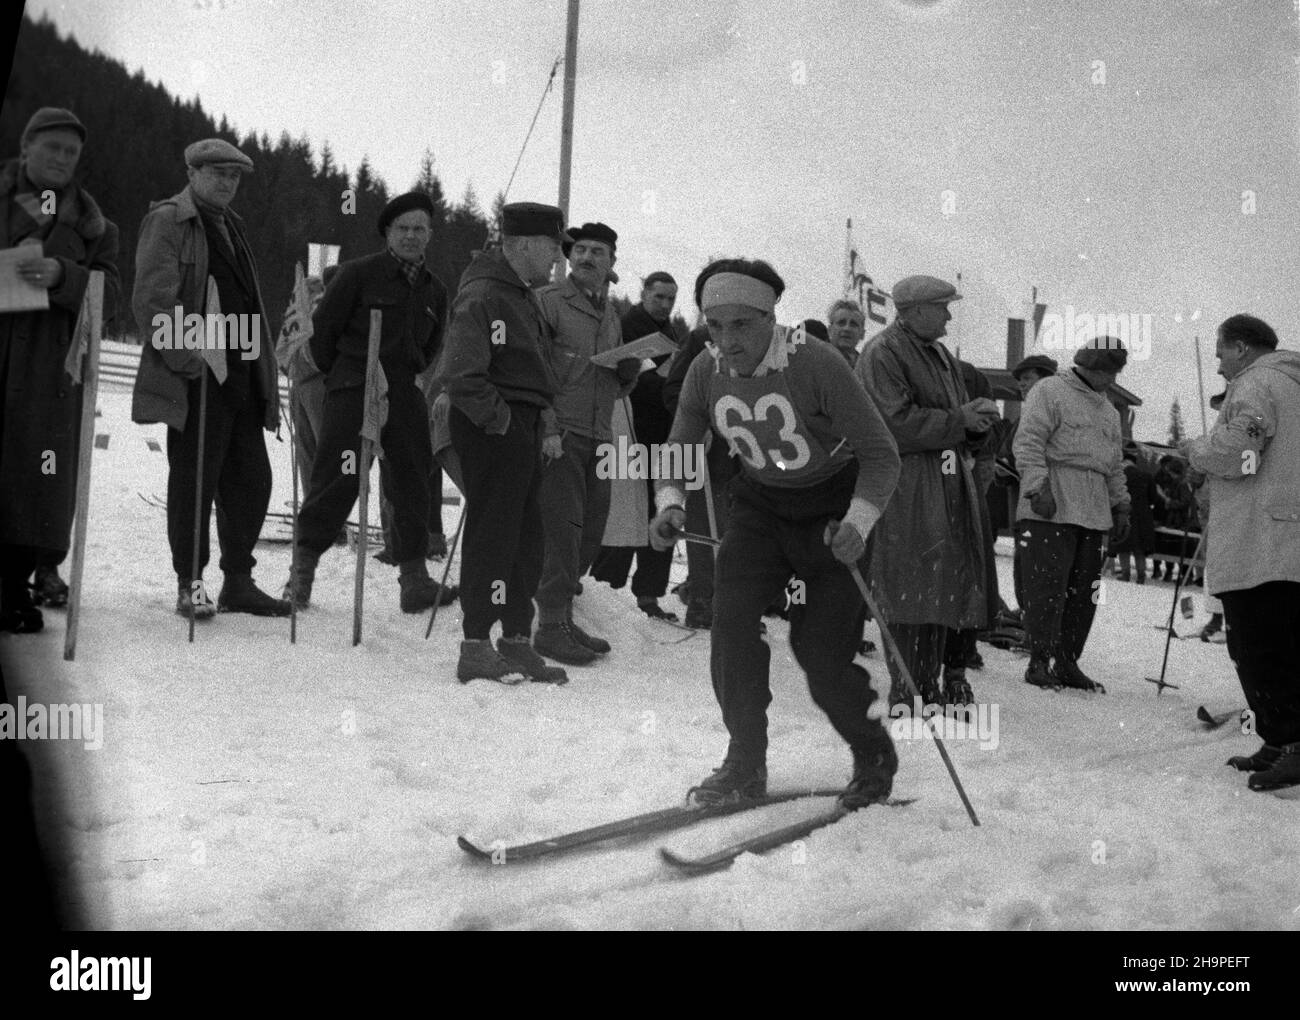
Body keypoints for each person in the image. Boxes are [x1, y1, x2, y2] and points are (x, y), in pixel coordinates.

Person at [649, 257, 901, 807]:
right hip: (760, 507)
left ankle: (871, 750)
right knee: (730, 622)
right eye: (714, 326)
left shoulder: (817, 363)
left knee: (819, 653)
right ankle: (745, 761)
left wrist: (859, 524)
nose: (726, 340)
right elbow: (679, 449)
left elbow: (882, 456)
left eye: (740, 325)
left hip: (830, 510)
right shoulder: (704, 370)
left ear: (770, 317)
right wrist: (670, 503)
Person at [132, 138, 288, 619]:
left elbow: (248, 305)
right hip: (198, 375)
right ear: (193, 172)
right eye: (217, 173)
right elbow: (152, 301)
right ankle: (191, 584)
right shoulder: (169, 220)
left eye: (234, 176)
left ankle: (237, 581)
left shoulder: (231, 227)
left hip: (240, 371)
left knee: (251, 479)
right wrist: (188, 359)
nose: (226, 183)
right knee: (194, 482)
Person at [282, 192, 454, 614]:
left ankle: (414, 579)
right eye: (403, 229)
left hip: (403, 394)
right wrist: (348, 376)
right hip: (354, 391)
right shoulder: (358, 275)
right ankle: (301, 573)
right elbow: (321, 340)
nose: (411, 236)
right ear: (388, 234)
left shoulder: (435, 290)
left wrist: (405, 374)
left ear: (429, 234)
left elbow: (431, 348)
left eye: (419, 229)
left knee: (412, 483)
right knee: (338, 478)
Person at [435, 202, 572, 684]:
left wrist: (538, 420)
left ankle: (515, 638)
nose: (559, 259)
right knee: (493, 536)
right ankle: (475, 644)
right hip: (496, 426)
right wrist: (503, 424)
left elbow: (533, 370)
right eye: (554, 247)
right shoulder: (485, 294)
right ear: (522, 245)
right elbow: (463, 376)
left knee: (525, 538)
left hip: (523, 423)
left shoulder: (520, 294)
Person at [0, 108, 120, 633]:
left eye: (71, 152)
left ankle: (14, 585)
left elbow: (112, 296)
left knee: (37, 480)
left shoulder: (96, 228)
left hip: (51, 372)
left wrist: (64, 274)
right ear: (27, 148)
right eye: (52, 148)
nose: (62, 159)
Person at [855, 275, 998, 708]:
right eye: (943, 307)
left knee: (942, 583)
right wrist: (961, 420)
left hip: (947, 481)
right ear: (915, 311)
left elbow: (950, 417)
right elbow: (893, 422)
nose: (950, 316)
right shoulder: (883, 352)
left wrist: (976, 427)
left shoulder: (936, 353)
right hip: (907, 485)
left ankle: (928, 683)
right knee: (907, 584)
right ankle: (910, 688)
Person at [1184, 314, 1300, 791]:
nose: (1216, 361)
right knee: (1275, 642)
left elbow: (1239, 452)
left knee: (1260, 645)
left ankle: (1292, 744)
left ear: (1241, 347)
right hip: (1284, 535)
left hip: (1260, 538)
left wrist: (1197, 450)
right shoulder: (1290, 383)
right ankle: (1278, 741)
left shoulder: (1257, 383)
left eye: (1220, 349)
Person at [532, 222, 640, 665]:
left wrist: (627, 375)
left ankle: (561, 613)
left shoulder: (611, 314)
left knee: (591, 530)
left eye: (598, 252)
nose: (587, 258)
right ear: (568, 257)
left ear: (612, 262)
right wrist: (549, 428)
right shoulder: (549, 302)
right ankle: (549, 627)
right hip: (562, 435)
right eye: (580, 250)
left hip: (599, 435)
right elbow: (533, 371)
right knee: (563, 530)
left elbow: (607, 384)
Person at [1013, 337, 1131, 692]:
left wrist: (1121, 504)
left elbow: (1113, 464)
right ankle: (1038, 660)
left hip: (1094, 510)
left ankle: (1067, 661)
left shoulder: (1109, 411)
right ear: (1086, 365)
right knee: (1045, 586)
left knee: (1085, 591)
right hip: (1052, 501)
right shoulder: (1049, 391)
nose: (1109, 379)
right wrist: (1037, 486)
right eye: (1104, 372)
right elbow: (1029, 441)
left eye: (1114, 373)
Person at [589, 271, 682, 620]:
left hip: (662, 434)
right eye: (659, 297)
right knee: (623, 513)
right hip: (628, 432)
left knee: (662, 511)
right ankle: (604, 585)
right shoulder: (627, 325)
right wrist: (658, 378)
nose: (665, 304)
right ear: (643, 293)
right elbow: (618, 381)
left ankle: (649, 594)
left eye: (671, 298)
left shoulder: (671, 333)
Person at [662, 301, 736, 630]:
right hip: (707, 453)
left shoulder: (758, 346)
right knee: (706, 528)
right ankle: (703, 601)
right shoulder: (699, 340)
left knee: (735, 531)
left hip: (745, 458)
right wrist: (702, 418)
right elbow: (674, 390)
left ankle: (732, 602)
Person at [994, 354, 1058, 618]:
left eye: (1028, 379)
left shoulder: (1053, 414)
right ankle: (1029, 616)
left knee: (1040, 567)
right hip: (1020, 506)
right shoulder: (1023, 417)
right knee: (1024, 566)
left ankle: (1038, 624)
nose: (1022, 385)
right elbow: (1007, 454)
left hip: (1044, 507)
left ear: (1046, 381)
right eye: (1020, 380)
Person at [1112, 445, 1157, 583]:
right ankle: (1141, 576)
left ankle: (1125, 575)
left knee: (1123, 546)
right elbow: (1153, 498)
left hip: (1123, 513)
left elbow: (1113, 495)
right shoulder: (1146, 476)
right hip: (1143, 516)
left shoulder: (1120, 476)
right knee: (1140, 549)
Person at [826, 299, 866, 368]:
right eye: (841, 323)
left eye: (853, 324)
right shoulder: (815, 358)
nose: (847, 328)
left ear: (862, 334)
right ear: (830, 330)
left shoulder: (867, 368)